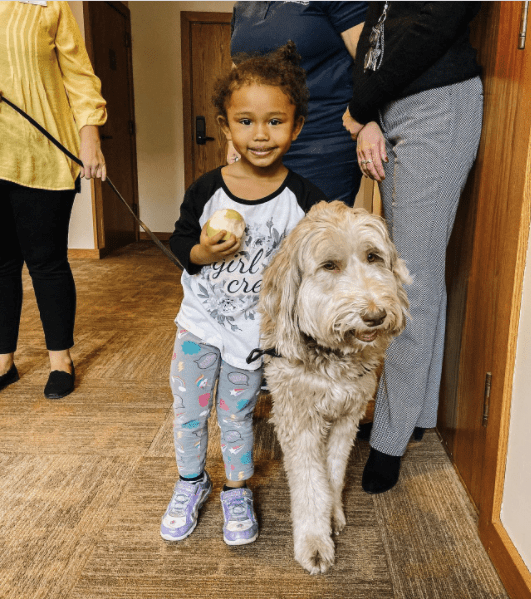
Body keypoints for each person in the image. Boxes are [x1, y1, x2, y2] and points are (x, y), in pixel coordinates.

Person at [161, 42, 328, 545]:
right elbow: (179, 242)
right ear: (225, 124)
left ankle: (236, 486)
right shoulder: (206, 189)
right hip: (199, 323)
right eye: (246, 121)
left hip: (252, 335)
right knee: (189, 410)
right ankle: (191, 481)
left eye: (275, 121)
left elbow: (319, 264)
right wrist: (202, 254)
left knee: (236, 416)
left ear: (296, 126)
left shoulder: (304, 199)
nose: (260, 135)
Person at [343, 2, 484, 494]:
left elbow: (433, 24)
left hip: (436, 106)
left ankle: (389, 439)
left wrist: (361, 109)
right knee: (419, 274)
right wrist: (372, 113)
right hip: (398, 108)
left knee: (410, 287)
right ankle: (416, 415)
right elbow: (378, 39)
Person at [0, 1, 107, 399]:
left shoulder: (49, 4)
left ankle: (60, 359)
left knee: (46, 262)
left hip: (42, 154)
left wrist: (90, 137)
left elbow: (80, 76)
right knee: (0, 265)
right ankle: (3, 361)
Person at [229, 1, 368, 206]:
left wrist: (368, 116)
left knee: (315, 231)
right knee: (263, 230)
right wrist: (233, 139)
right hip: (261, 142)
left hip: (321, 140)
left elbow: (370, 60)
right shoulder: (244, 5)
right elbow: (238, 73)